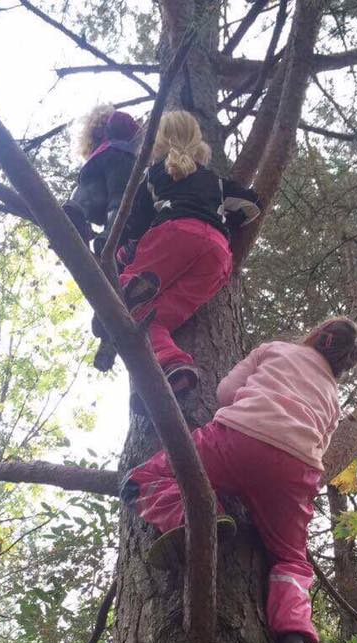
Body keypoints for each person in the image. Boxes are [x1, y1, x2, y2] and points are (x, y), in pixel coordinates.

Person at [120, 316, 357, 643]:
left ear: (316, 335)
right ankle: (293, 638)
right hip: (296, 472)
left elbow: (225, 393)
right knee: (292, 559)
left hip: (235, 440)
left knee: (141, 480)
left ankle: (204, 516)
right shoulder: (332, 396)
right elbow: (320, 442)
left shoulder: (275, 350)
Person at [115, 110, 262, 412]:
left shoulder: (153, 176)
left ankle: (128, 289)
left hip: (174, 233)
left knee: (122, 296)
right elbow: (251, 206)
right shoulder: (215, 182)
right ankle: (173, 367)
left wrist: (121, 250)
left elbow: (134, 226)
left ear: (157, 143)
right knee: (150, 320)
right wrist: (225, 222)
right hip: (218, 255)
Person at [64, 104, 141, 255]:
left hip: (92, 165)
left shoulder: (95, 144)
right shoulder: (117, 123)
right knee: (119, 198)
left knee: (86, 194)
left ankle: (76, 214)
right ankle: (112, 235)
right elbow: (137, 133)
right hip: (121, 156)